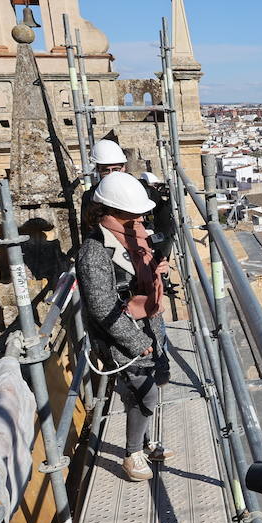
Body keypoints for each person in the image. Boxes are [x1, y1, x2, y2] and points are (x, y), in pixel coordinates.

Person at [76, 171, 173, 481]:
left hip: (148, 323)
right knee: (143, 394)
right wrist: (133, 341)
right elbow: (101, 305)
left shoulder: (134, 235)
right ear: (114, 211)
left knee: (146, 385)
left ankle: (146, 443)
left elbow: (142, 276)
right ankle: (132, 454)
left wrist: (159, 270)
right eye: (134, 213)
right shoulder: (94, 251)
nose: (141, 217)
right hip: (122, 334)